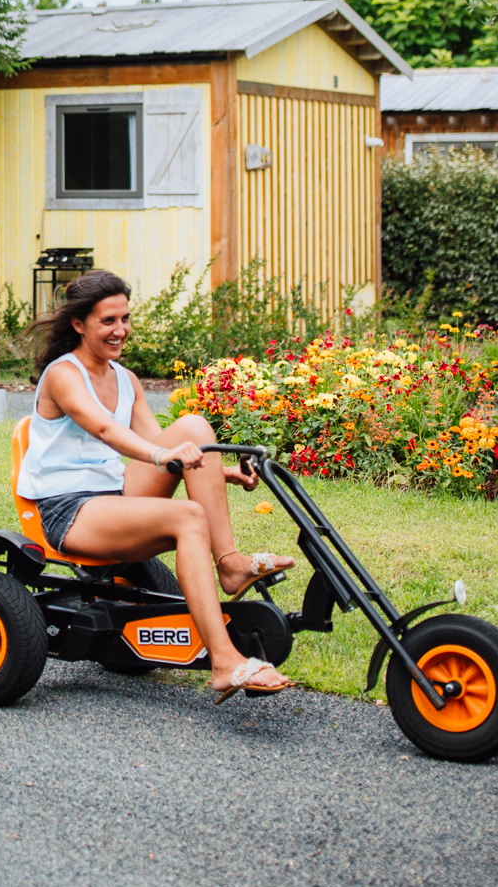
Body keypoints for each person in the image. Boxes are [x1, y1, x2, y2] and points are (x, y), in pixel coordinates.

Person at [20, 269, 296, 701]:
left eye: (125, 319)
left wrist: (218, 470)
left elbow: (154, 442)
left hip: (116, 495)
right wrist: (161, 457)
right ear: (79, 324)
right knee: (188, 517)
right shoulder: (63, 375)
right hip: (70, 510)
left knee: (194, 427)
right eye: (107, 321)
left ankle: (229, 563)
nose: (120, 330)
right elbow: (107, 431)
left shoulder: (125, 379)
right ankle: (225, 662)